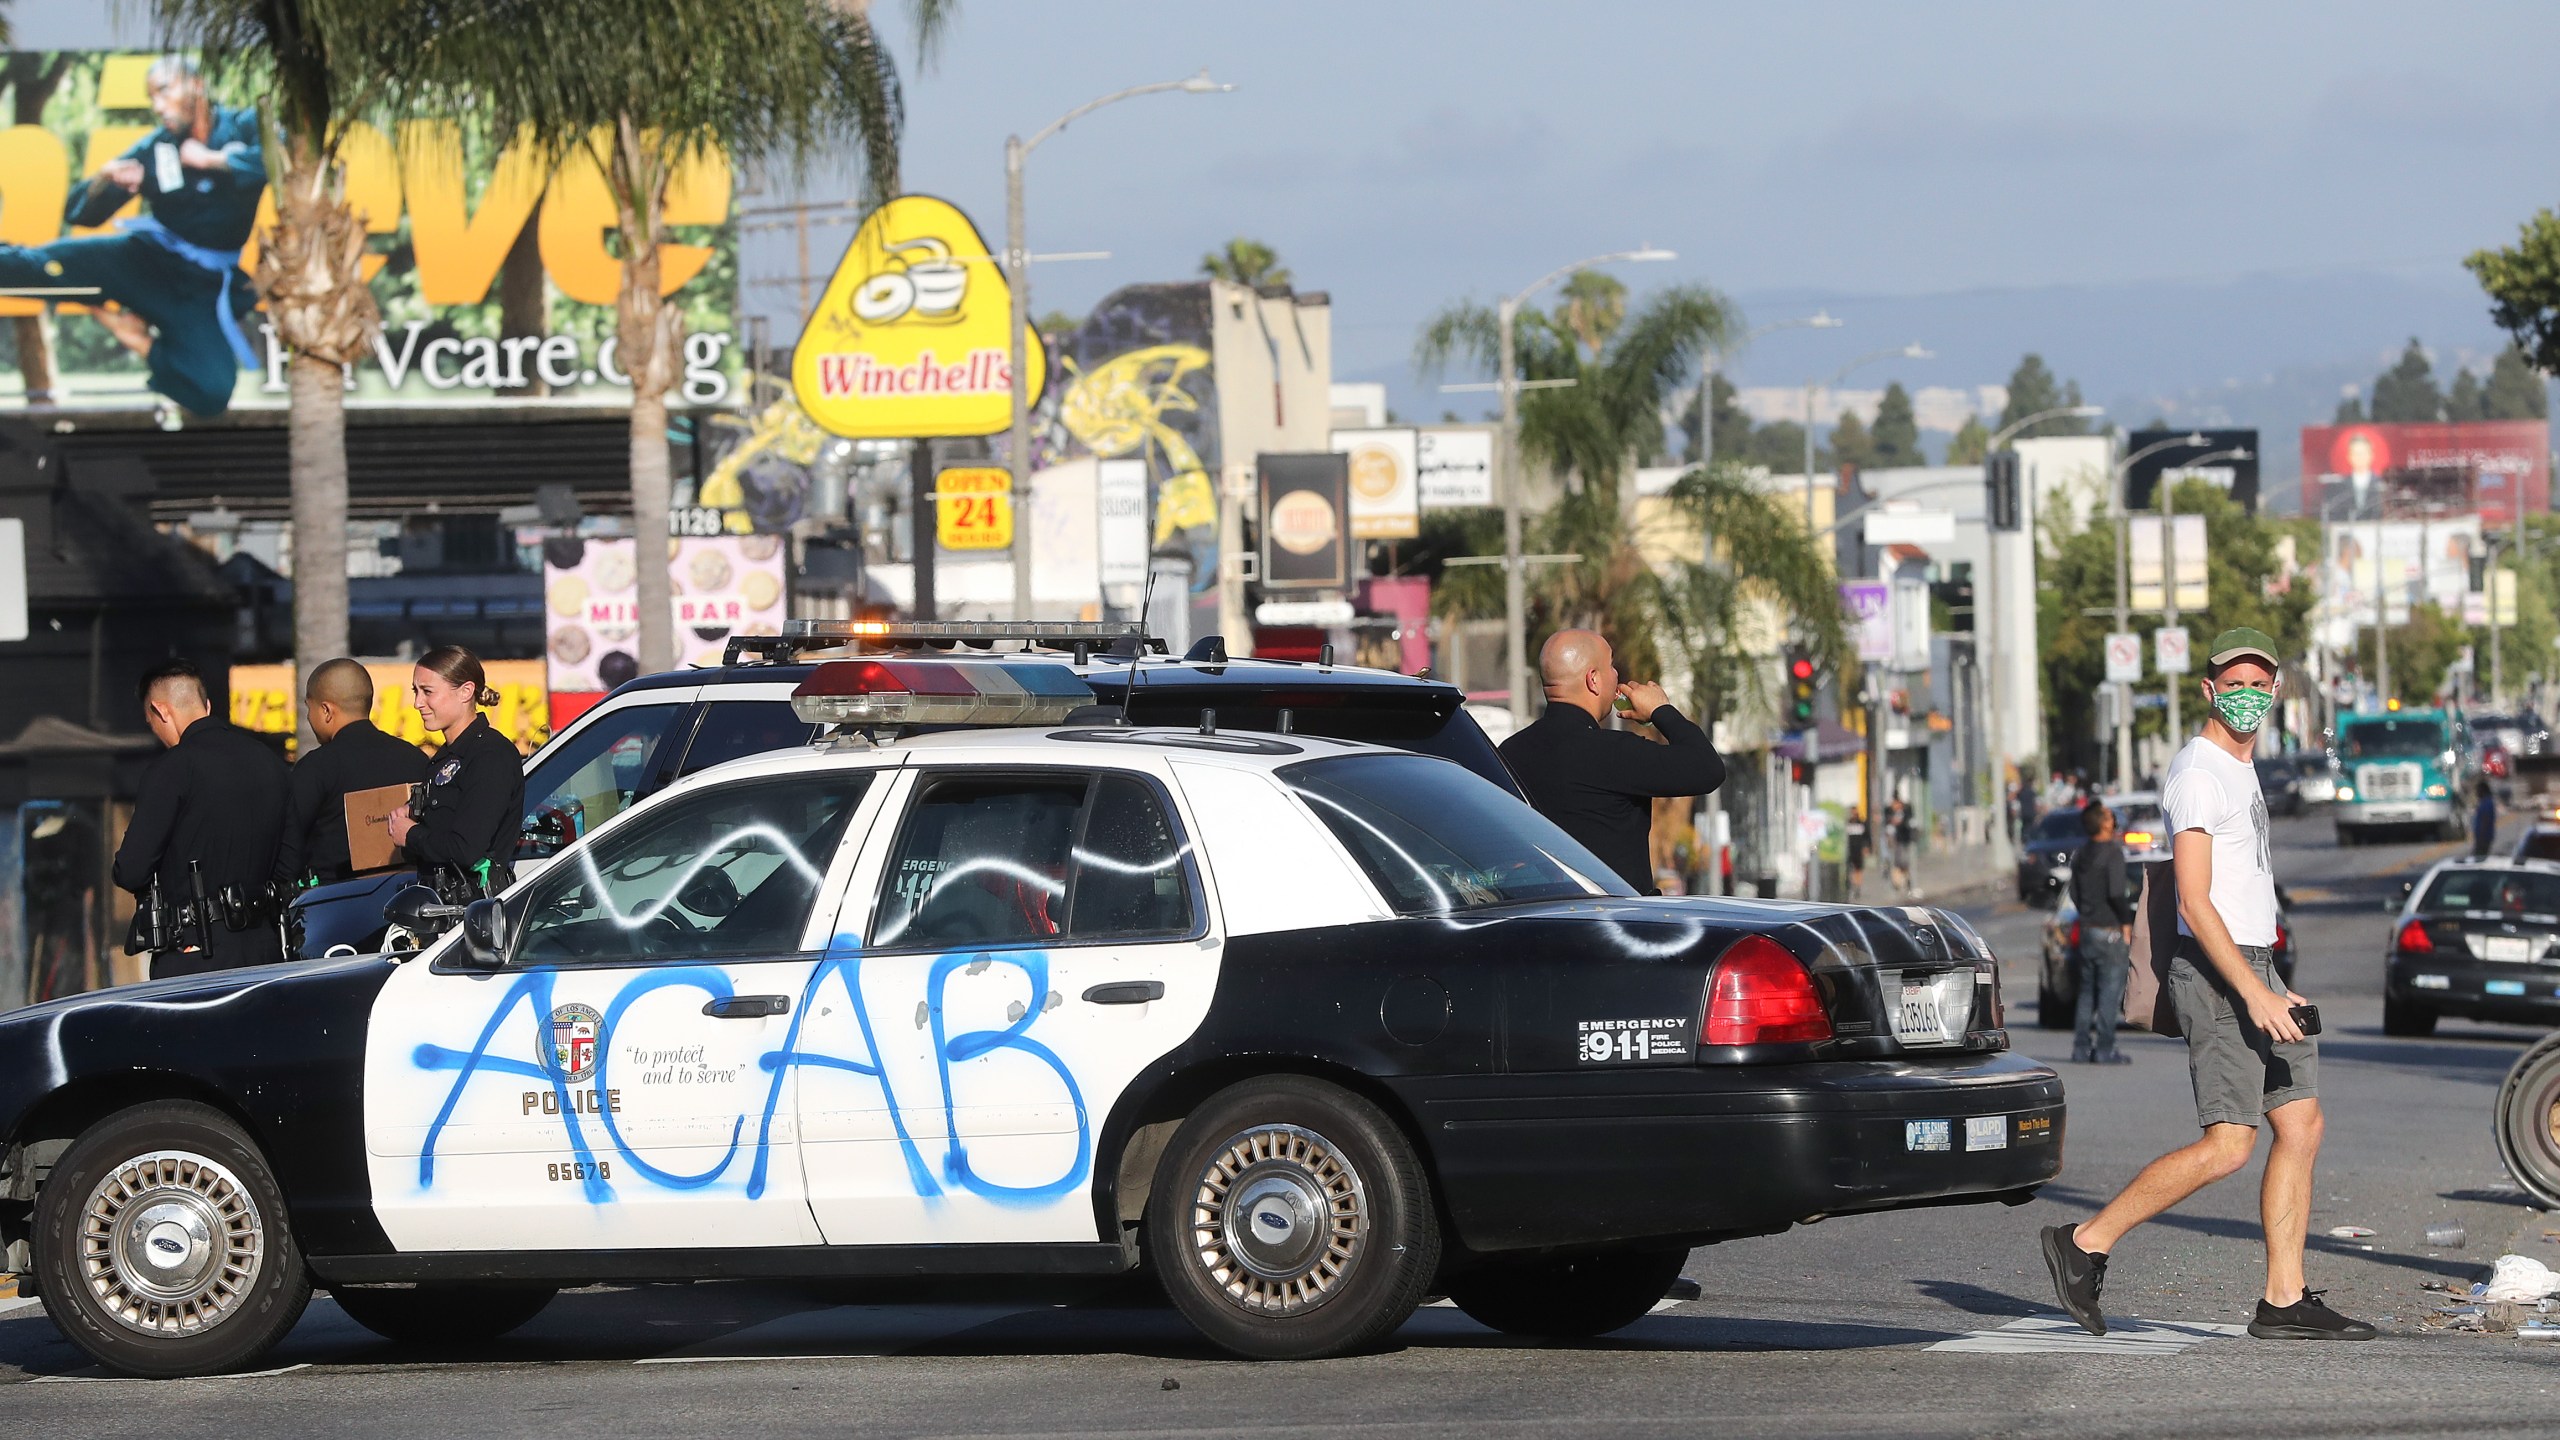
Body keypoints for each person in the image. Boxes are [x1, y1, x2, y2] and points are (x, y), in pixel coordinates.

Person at [2041, 627, 2374, 1343]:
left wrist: (2271, 981)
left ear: (2276, 691)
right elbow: (2193, 899)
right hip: (2217, 970)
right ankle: (2085, 1242)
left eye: (2261, 683)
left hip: (2256, 964)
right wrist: (2251, 992)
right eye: (2236, 682)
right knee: (2229, 1143)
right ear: (2209, 689)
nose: (2248, 694)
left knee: (2302, 1123)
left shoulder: (2242, 767)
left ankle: (2283, 1300)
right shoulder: (2198, 772)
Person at [0, 57, 264, 416]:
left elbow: (277, 163)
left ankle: (138, 338)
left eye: (164, 92)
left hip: (200, 288)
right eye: (151, 98)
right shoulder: (156, 148)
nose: (158, 107)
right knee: (35, 266)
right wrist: (103, 182)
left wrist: (211, 160)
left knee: (211, 391)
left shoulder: (244, 126)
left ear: (197, 85)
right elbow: (79, 213)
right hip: (143, 261)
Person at [1497, 629, 1725, 895]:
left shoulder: (1509, 752)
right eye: (1611, 665)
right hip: (1617, 919)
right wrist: (1661, 710)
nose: (1617, 674)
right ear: (1593, 679)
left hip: (1535, 919)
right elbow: (1707, 768)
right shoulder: (1613, 752)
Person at [113, 658, 289, 977]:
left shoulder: (172, 769)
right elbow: (289, 861)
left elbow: (130, 870)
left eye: (152, 723)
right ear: (206, 705)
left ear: (161, 711)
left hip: (194, 950)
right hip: (265, 947)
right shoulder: (270, 762)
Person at [276, 658, 432, 887]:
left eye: (310, 709)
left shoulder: (316, 768)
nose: (309, 718)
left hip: (337, 903)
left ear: (326, 711)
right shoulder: (416, 759)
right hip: (409, 897)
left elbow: (288, 850)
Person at [386, 646, 525, 903]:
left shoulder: (491, 755)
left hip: (473, 912)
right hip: (438, 905)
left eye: (428, 692)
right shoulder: (445, 757)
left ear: (465, 691)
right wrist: (414, 813)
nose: (417, 703)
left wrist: (412, 834)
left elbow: (466, 848)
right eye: (416, 692)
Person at [2068, 800, 2137, 1064]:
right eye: (2109, 816)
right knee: (2110, 990)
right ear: (2104, 823)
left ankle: (2081, 1046)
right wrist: (2126, 922)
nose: (2114, 819)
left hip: (2087, 929)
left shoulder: (2081, 854)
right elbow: (2117, 893)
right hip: (2109, 930)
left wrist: (2087, 912)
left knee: (2087, 992)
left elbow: (2074, 892)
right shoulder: (2112, 853)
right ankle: (2105, 1047)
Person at [1843, 806, 1870, 897]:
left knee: (1858, 869)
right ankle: (1851, 885)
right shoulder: (1848, 823)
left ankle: (1857, 886)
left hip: (1858, 850)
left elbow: (1867, 837)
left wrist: (1866, 848)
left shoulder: (1862, 824)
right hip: (1850, 850)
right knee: (1850, 869)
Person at [2473, 779, 2499, 861]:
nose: (2476, 793)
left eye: (2478, 790)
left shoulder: (2487, 802)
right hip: (2481, 836)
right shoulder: (2483, 801)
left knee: (2479, 857)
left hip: (2484, 836)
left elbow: (2486, 819)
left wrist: (2481, 834)